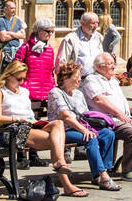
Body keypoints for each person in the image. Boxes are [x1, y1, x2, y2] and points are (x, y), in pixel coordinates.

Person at [0, 59, 86, 196]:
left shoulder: (24, 92)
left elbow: (29, 113)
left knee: (58, 124)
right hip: (13, 129)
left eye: (24, 78)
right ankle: (66, 183)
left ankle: (60, 163)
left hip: (30, 124)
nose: (21, 82)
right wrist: (18, 119)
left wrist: (33, 121)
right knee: (54, 140)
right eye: (18, 79)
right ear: (9, 76)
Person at [82, 52, 132, 182]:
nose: (113, 66)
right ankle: (128, 170)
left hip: (124, 118)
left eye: (114, 63)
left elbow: (120, 103)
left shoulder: (113, 80)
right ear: (99, 66)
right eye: (110, 64)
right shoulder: (92, 80)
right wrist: (119, 114)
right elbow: (99, 100)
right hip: (108, 121)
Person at [47, 61, 120, 191]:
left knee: (108, 134)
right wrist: (85, 130)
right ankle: (103, 176)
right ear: (66, 77)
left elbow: (85, 115)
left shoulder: (78, 94)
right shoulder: (55, 93)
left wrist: (87, 128)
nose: (79, 79)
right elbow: (66, 116)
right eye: (77, 76)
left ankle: (100, 172)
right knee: (90, 138)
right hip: (64, 130)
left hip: (81, 128)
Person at [17, 18, 57, 104]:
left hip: (46, 95)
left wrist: (52, 86)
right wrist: (23, 86)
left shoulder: (50, 49)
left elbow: (51, 72)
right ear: (38, 31)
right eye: (47, 31)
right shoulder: (26, 47)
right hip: (28, 94)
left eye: (51, 32)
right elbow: (15, 70)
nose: (50, 34)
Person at [57, 12, 104, 79]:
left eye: (97, 23)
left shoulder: (99, 38)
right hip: (79, 81)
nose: (96, 26)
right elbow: (62, 62)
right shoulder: (71, 39)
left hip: (98, 79)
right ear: (82, 24)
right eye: (93, 23)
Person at [0, 1, 25, 73]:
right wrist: (17, 35)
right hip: (6, 52)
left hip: (17, 52)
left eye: (14, 8)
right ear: (6, 9)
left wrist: (10, 33)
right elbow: (3, 38)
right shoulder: (1, 21)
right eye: (12, 8)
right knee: (4, 74)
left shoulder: (17, 21)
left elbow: (23, 35)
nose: (14, 10)